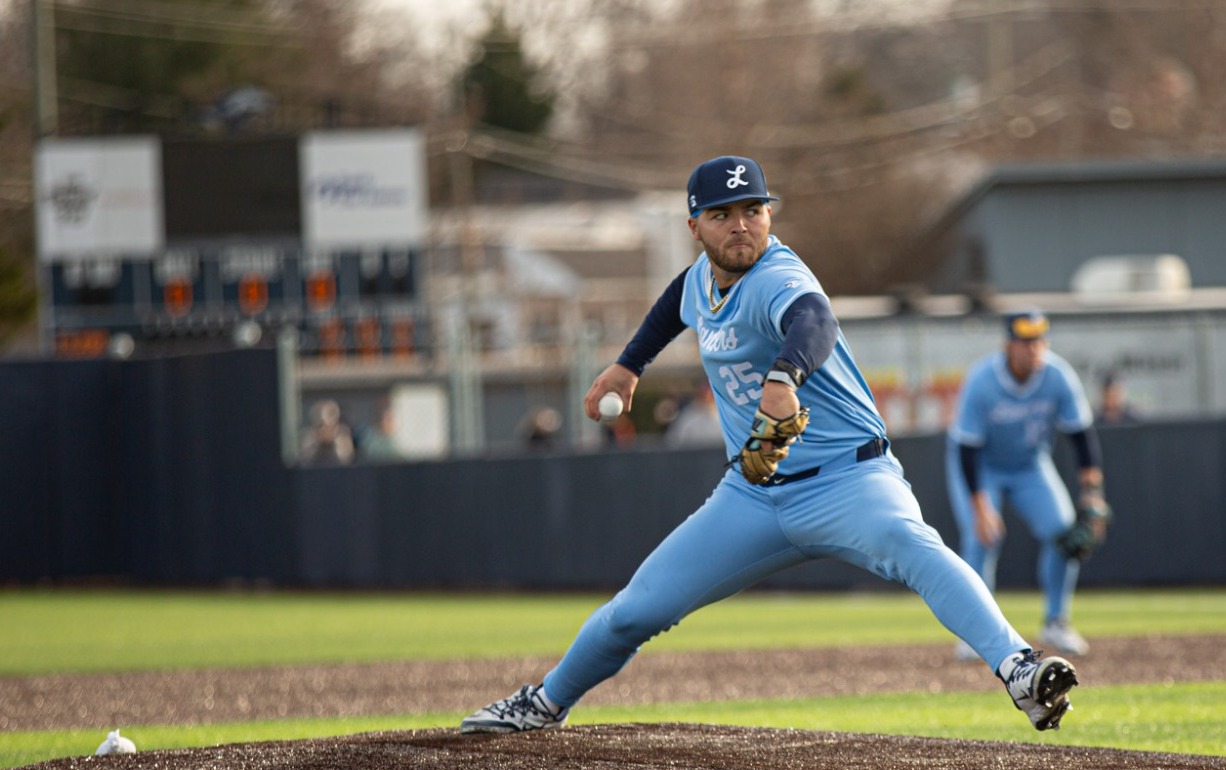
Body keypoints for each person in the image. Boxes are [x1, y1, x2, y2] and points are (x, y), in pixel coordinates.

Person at [462, 155, 1077, 734]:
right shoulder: (701, 280)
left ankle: (1018, 667)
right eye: (722, 214)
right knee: (635, 610)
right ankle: (543, 704)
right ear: (694, 227)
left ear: (769, 216)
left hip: (850, 480)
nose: (740, 225)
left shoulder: (779, 274)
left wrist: (784, 378)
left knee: (912, 544)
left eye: (752, 210)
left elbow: (815, 319)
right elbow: (677, 302)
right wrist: (630, 365)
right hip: (753, 496)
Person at [945, 310, 1107, 659]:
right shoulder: (983, 380)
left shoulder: (1057, 375)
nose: (1033, 349)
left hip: (1030, 465)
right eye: (1025, 342)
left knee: (1064, 534)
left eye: (1039, 341)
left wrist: (1092, 494)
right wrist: (980, 507)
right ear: (1008, 345)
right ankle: (976, 632)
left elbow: (1081, 438)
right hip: (982, 467)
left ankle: (1056, 621)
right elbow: (967, 449)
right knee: (981, 538)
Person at [300, 399, 355, 466]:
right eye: (318, 426)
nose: (322, 430)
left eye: (323, 425)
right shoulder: (310, 439)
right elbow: (304, 462)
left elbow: (346, 461)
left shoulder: (342, 437)